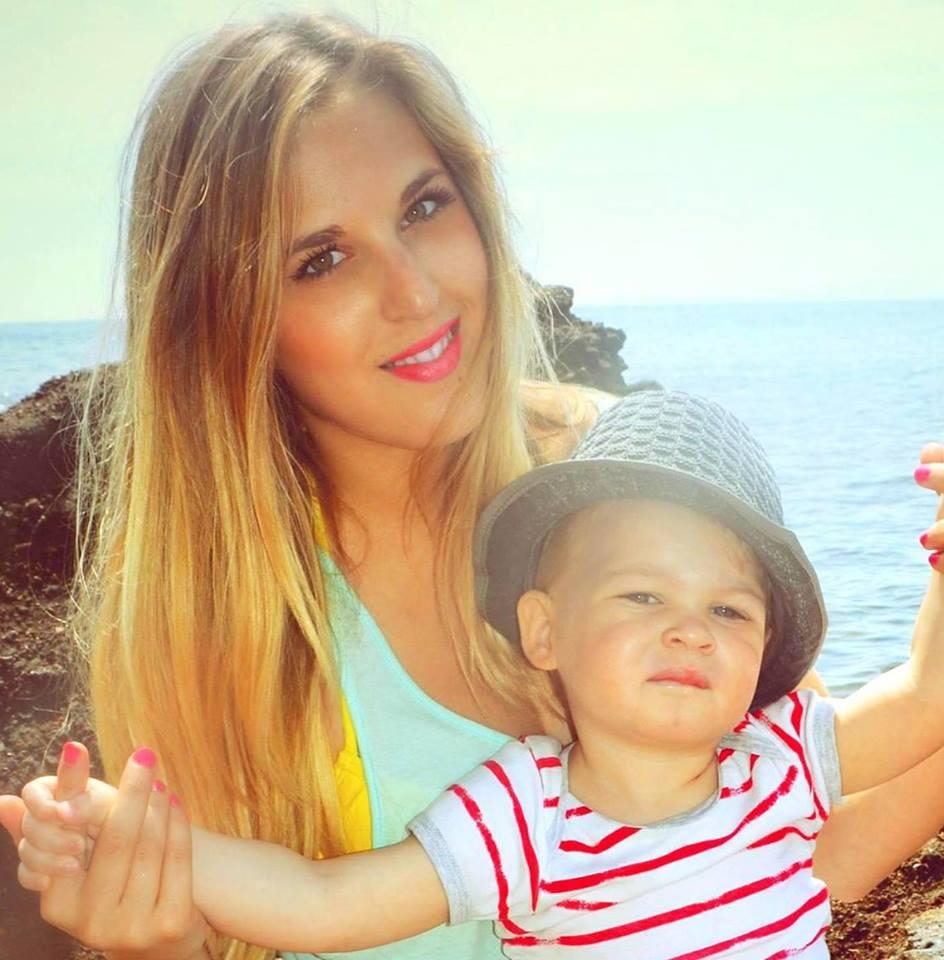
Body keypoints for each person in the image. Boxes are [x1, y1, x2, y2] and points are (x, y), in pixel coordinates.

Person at [1, 11, 944, 960]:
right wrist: (158, 945)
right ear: (226, 322)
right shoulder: (223, 619)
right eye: (321, 260)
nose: (415, 292)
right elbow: (287, 917)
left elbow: (785, 853)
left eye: (423, 208)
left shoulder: (623, 481)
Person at [14, 390, 944, 959]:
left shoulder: (779, 756)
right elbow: (322, 902)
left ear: (766, 650)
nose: (691, 632)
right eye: (641, 596)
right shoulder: (528, 814)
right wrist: (128, 826)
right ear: (544, 632)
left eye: (729, 612)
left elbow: (925, 696)